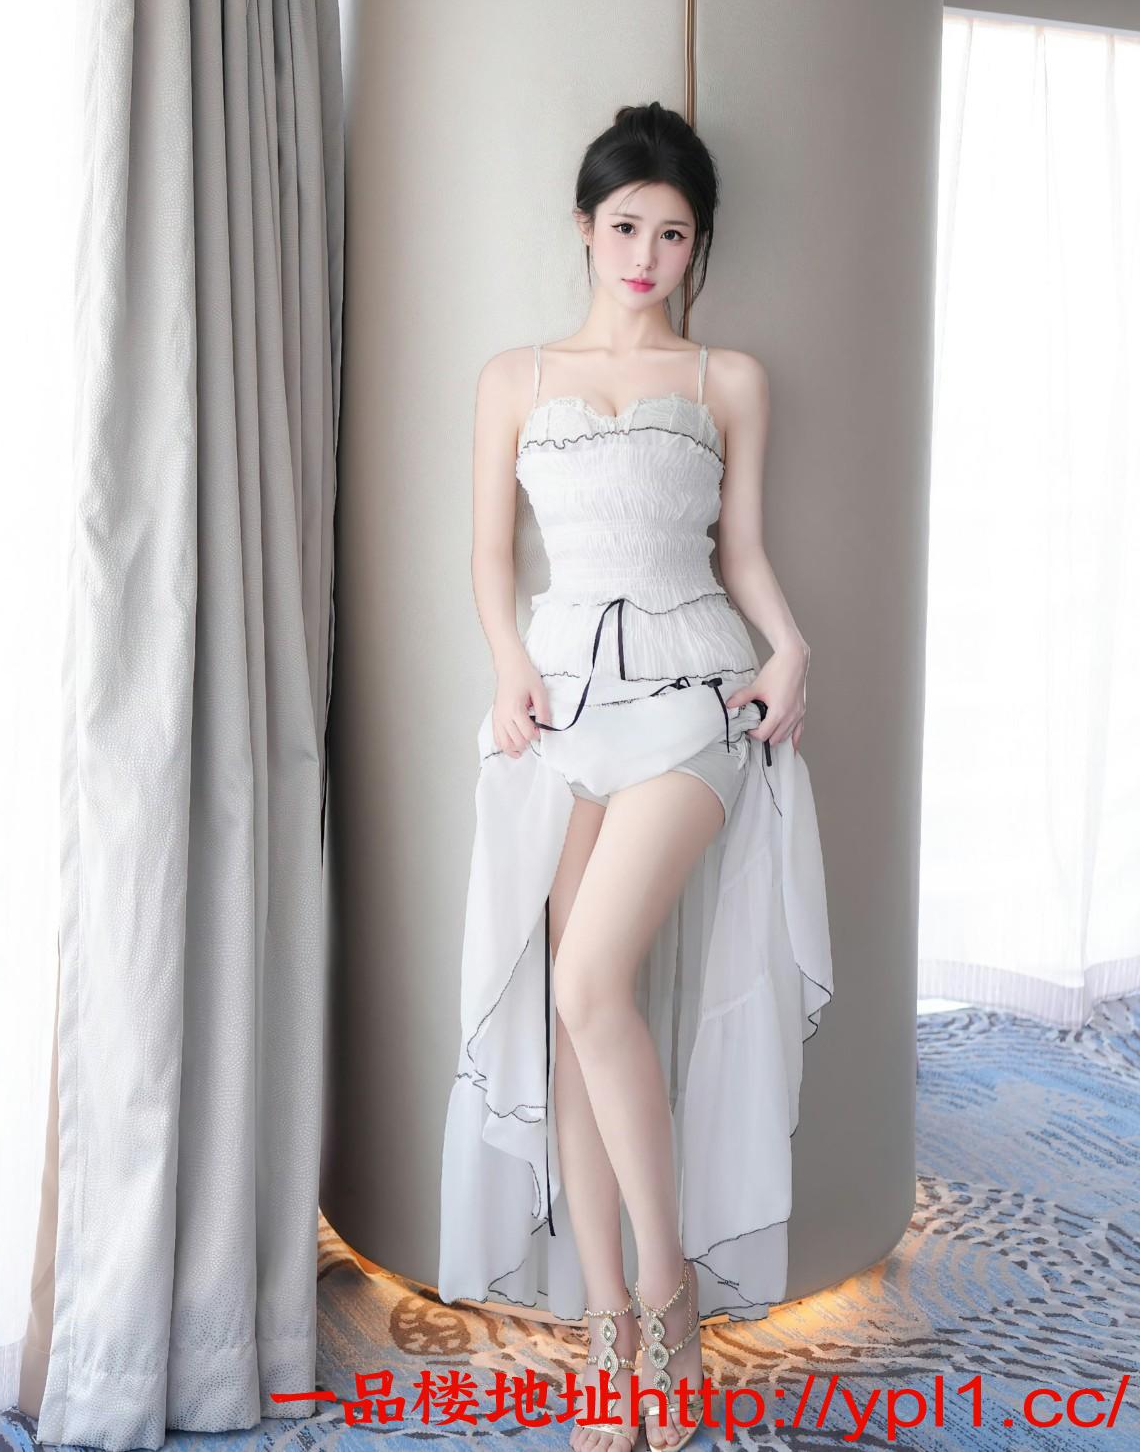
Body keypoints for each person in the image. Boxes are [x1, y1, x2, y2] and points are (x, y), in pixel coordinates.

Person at [437, 102, 834, 1452]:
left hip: (691, 699)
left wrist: (792, 649)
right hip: (561, 704)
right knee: (572, 1020)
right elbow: (491, 557)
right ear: (586, 226)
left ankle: (670, 1300)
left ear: (697, 240)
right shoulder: (514, 376)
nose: (647, 255)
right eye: (626, 227)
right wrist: (506, 665)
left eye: (673, 232)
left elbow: (745, 554)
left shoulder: (730, 378)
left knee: (587, 979)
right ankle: (608, 1328)